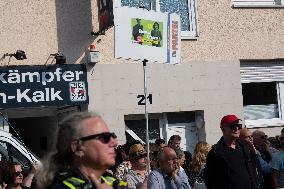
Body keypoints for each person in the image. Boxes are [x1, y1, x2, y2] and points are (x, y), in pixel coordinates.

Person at [36, 111, 127, 189]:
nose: (114, 143)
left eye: (113, 136)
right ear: (77, 147)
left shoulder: (111, 182)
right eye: (105, 137)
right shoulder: (60, 187)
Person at [204, 114, 256, 189]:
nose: (237, 128)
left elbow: (251, 171)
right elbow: (209, 179)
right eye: (233, 126)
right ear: (223, 129)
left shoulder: (243, 147)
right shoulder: (216, 152)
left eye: (239, 126)